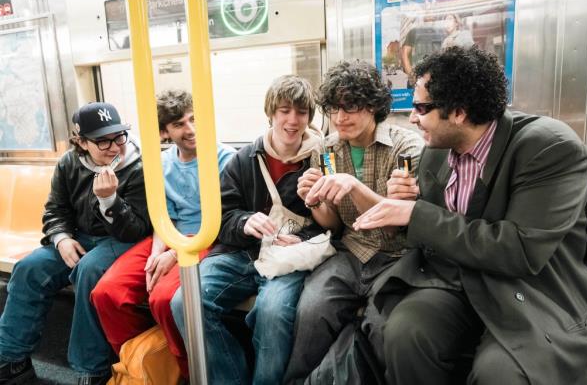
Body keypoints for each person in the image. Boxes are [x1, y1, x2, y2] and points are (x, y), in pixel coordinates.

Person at [353, 46, 587, 384]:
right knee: (406, 333)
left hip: (531, 288)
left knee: (500, 373)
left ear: (459, 112)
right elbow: (434, 238)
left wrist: (417, 214)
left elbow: (520, 250)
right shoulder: (435, 154)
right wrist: (407, 206)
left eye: (422, 107)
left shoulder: (548, 148)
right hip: (457, 281)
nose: (412, 117)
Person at [170, 75, 324, 385]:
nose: (293, 121)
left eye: (302, 112)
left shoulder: (322, 160)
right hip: (241, 253)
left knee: (273, 313)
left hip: (288, 259)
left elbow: (335, 224)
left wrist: (300, 238)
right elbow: (220, 220)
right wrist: (245, 222)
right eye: (284, 110)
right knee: (185, 302)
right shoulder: (243, 160)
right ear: (271, 113)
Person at [283, 60, 424, 383]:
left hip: (397, 257)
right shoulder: (328, 150)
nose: (339, 118)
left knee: (384, 329)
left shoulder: (406, 148)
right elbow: (332, 225)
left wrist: (354, 186)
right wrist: (315, 201)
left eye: (350, 107)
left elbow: (394, 227)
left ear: (374, 105)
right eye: (333, 109)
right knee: (312, 311)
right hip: (349, 252)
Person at [0, 102, 152, 385]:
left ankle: (91, 369)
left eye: (119, 136)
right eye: (102, 140)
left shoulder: (139, 166)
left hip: (121, 240)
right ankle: (11, 359)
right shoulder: (69, 163)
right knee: (29, 268)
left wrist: (110, 200)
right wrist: (61, 239)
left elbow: (137, 230)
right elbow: (55, 209)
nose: (113, 146)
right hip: (78, 237)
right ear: (81, 141)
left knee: (89, 272)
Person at [90, 89, 235, 379]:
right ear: (166, 132)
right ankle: (143, 365)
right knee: (107, 293)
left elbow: (223, 220)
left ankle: (185, 372)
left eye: (193, 119)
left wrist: (174, 254)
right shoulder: (161, 164)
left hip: (208, 238)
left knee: (164, 299)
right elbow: (162, 217)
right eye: (179, 124)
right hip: (168, 236)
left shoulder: (225, 158)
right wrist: (158, 252)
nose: (190, 129)